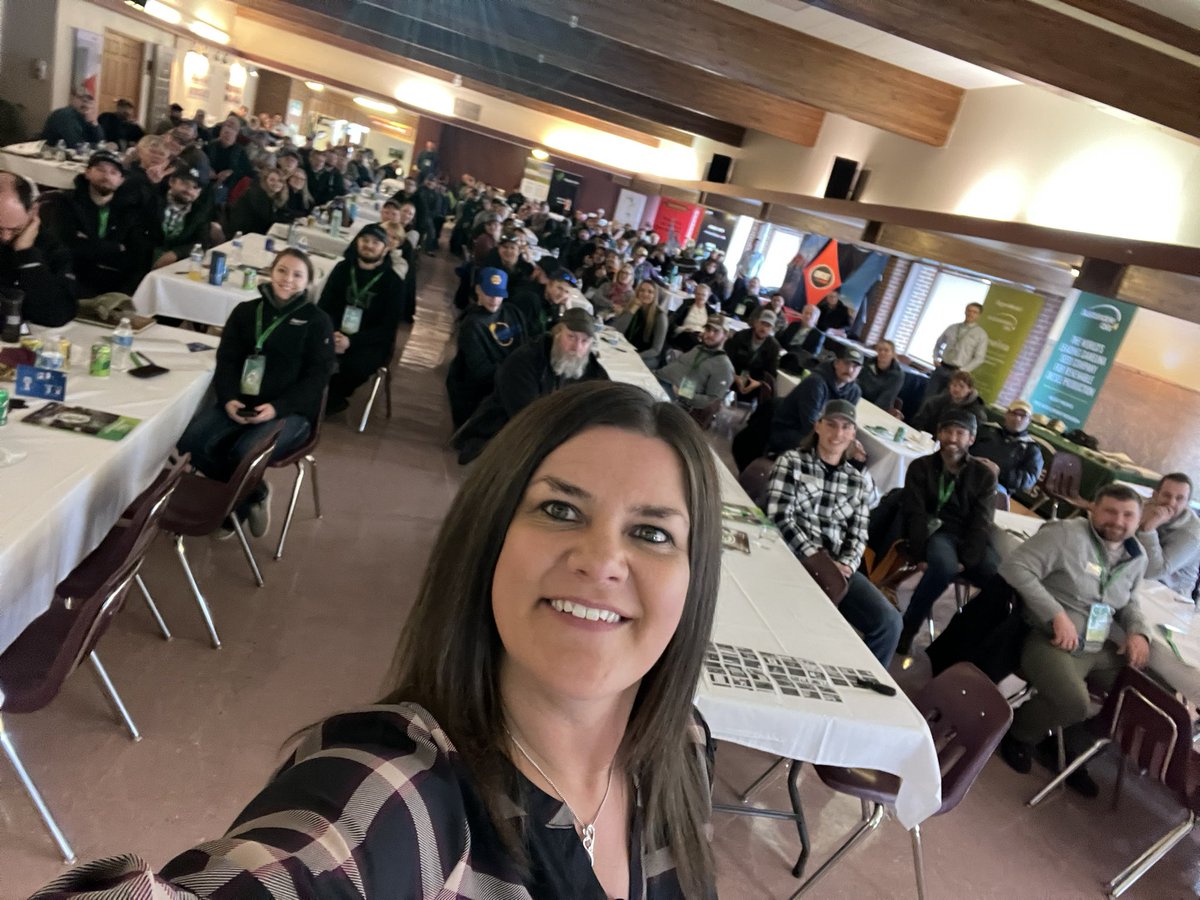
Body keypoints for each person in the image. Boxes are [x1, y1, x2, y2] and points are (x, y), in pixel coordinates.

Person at [32, 382, 719, 900]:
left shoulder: (682, 748)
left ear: (695, 581)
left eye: (652, 532)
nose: (602, 560)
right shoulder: (398, 791)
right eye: (559, 510)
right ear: (487, 543)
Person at [998, 484, 1152, 797]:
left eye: (1127, 515)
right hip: (1049, 639)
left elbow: (1129, 602)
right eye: (1109, 511)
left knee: (1140, 695)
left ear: (1138, 520)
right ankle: (1020, 734)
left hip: (1096, 647)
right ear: (1092, 509)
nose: (1118, 521)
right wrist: (1056, 614)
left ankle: (1068, 747)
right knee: (1074, 702)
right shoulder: (1066, 534)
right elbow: (1015, 566)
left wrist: (1138, 631)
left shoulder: (1137, 556)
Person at [177, 249, 334, 538]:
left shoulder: (317, 321)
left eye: (297, 275)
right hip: (240, 402)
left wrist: (278, 408)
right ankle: (255, 494)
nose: (288, 280)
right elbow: (227, 360)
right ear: (270, 272)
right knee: (191, 442)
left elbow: (317, 378)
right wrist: (228, 398)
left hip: (290, 412)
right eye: (282, 271)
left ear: (309, 282)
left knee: (245, 452)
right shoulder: (246, 312)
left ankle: (231, 509)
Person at [767, 400, 902, 666]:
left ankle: (864, 689)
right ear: (818, 426)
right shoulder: (791, 462)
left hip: (838, 571)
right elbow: (780, 517)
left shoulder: (857, 480)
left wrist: (848, 566)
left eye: (846, 427)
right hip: (792, 559)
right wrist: (818, 561)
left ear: (853, 435)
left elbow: (859, 533)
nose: (837, 434)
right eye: (831, 424)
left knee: (890, 623)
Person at [897, 409, 998, 654]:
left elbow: (982, 520)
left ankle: (962, 644)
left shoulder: (983, 475)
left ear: (971, 439)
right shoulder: (920, 467)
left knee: (999, 578)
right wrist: (920, 554)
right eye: (947, 431)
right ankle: (907, 628)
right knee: (943, 566)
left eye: (960, 433)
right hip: (937, 531)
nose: (952, 438)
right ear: (939, 434)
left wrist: (968, 559)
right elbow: (916, 512)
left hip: (969, 537)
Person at [452, 309, 608, 464]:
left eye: (584, 341)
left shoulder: (582, 362)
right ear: (557, 333)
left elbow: (605, 393)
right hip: (501, 436)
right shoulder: (524, 362)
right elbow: (528, 419)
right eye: (571, 337)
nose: (577, 348)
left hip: (547, 435)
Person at [318, 224, 406, 415]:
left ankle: (333, 397)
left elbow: (387, 328)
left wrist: (352, 341)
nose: (369, 245)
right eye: (365, 240)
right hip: (334, 332)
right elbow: (325, 306)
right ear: (356, 242)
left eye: (376, 242)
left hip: (370, 341)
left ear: (386, 249)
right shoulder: (342, 269)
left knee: (355, 366)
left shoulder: (393, 283)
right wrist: (332, 333)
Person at [40, 150, 148, 297]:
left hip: (115, 283)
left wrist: (88, 242)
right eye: (100, 170)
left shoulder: (129, 210)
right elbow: (64, 244)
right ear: (87, 173)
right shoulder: (65, 203)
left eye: (113, 172)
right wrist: (115, 247)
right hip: (73, 278)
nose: (106, 176)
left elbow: (136, 254)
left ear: (121, 180)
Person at [446, 267, 528, 428]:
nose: (495, 299)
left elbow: (525, 347)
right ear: (478, 290)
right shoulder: (471, 324)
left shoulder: (513, 313)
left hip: (510, 379)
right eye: (489, 293)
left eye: (499, 294)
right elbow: (480, 370)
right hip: (481, 391)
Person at [0, 172, 77, 326]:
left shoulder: (48, 245)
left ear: (33, 211)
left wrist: (26, 254)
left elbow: (58, 314)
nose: (6, 237)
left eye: (15, 229)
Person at [768, 345, 863, 454]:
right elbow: (809, 424)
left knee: (855, 456)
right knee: (831, 451)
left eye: (855, 366)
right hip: (789, 430)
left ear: (860, 370)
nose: (850, 370)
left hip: (817, 432)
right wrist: (834, 442)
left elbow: (844, 423)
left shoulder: (855, 392)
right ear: (836, 363)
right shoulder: (815, 383)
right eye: (846, 363)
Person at [1136, 473, 1200, 598]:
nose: (1171, 502)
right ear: (1155, 495)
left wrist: (1148, 530)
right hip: (1137, 576)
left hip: (1170, 596)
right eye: (1166, 495)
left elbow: (1154, 572)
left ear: (1187, 503)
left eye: (1179, 498)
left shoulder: (1192, 534)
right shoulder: (1144, 508)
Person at [655, 315, 735, 410]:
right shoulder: (698, 348)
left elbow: (711, 402)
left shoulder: (723, 366)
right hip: (658, 379)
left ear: (725, 336)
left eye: (716, 331)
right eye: (708, 330)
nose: (709, 334)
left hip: (673, 397)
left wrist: (682, 393)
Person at [971, 399, 1044, 496]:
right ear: (1006, 414)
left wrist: (999, 472)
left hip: (997, 486)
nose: (1017, 418)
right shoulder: (985, 430)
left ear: (1029, 420)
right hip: (969, 473)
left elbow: (1028, 480)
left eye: (1023, 416)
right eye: (1014, 413)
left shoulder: (1031, 448)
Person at [147, 163, 212, 270]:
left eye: (195, 187)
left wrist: (176, 253)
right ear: (171, 182)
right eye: (185, 184)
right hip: (141, 261)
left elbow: (202, 242)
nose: (189, 190)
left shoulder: (199, 211)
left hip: (176, 265)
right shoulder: (153, 199)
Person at [928, 302, 988, 396]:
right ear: (965, 311)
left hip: (958, 373)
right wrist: (935, 358)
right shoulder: (952, 327)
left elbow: (979, 358)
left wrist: (963, 370)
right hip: (941, 368)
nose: (970, 314)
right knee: (928, 397)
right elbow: (938, 343)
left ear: (979, 315)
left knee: (946, 400)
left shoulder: (981, 334)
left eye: (974, 312)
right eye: (969, 310)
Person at [723, 309, 781, 402]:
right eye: (762, 323)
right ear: (756, 323)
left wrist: (758, 383)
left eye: (768, 326)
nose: (764, 328)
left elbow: (771, 374)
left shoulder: (774, 347)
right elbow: (726, 360)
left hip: (754, 384)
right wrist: (735, 377)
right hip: (732, 377)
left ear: (772, 329)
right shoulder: (740, 336)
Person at [910, 368, 987, 436]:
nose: (956, 389)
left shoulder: (975, 412)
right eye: (954, 385)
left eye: (961, 386)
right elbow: (919, 421)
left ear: (970, 389)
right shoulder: (936, 402)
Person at [612, 280, 669, 365]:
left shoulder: (660, 317)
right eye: (642, 290)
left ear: (655, 296)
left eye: (650, 292)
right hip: (628, 348)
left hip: (648, 356)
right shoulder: (633, 307)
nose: (645, 294)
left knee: (624, 363)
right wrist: (632, 311)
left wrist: (634, 355)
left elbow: (656, 350)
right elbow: (617, 330)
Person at [227, 168, 290, 236]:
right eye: (272, 180)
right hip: (244, 234)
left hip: (259, 232)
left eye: (280, 181)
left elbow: (284, 212)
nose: (276, 183)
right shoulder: (256, 193)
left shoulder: (275, 196)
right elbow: (268, 219)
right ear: (264, 181)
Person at [856, 339, 906, 412]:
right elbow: (857, 383)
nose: (882, 352)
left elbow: (885, 399)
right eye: (880, 350)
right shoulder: (868, 363)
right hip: (859, 401)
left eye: (886, 350)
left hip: (877, 409)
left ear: (893, 354)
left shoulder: (898, 375)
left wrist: (869, 410)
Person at [668, 283, 715, 353]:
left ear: (708, 297)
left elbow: (712, 329)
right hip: (684, 333)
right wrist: (681, 329)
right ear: (695, 294)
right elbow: (673, 320)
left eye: (703, 295)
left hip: (701, 337)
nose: (700, 297)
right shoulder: (686, 305)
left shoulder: (711, 312)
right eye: (698, 294)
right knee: (691, 338)